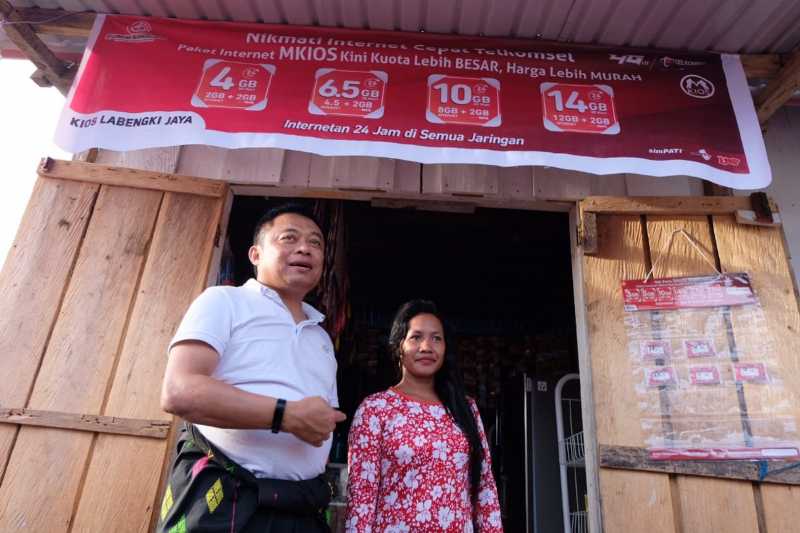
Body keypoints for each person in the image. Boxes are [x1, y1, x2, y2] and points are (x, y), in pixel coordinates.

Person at [158, 203, 346, 533]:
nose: (305, 247)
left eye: (315, 242)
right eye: (289, 238)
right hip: (225, 500)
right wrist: (285, 415)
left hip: (301, 508)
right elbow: (180, 390)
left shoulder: (321, 337)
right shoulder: (224, 301)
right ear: (255, 254)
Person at [345, 300, 503, 532]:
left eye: (436, 338)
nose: (427, 347)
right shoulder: (375, 409)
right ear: (399, 345)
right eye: (416, 337)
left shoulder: (465, 408)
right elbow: (361, 499)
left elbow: (485, 489)